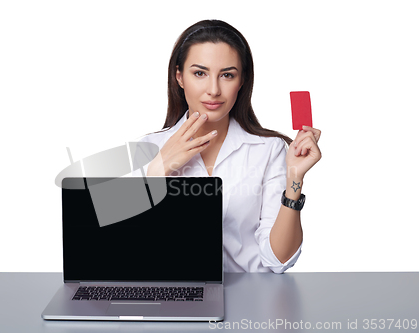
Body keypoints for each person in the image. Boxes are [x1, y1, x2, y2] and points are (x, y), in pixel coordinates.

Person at [134, 20, 322, 273]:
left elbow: (277, 261)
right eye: (200, 73)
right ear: (179, 77)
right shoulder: (149, 147)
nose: (213, 90)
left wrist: (295, 179)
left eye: (227, 75)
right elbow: (129, 251)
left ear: (242, 80)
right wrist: (158, 170)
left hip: (252, 297)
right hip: (177, 296)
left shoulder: (268, 149)